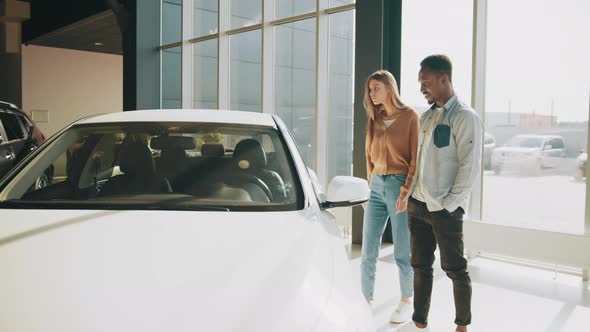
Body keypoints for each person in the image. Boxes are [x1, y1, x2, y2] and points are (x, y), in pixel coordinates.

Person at [407, 55, 483, 332]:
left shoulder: (465, 117)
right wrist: (411, 194)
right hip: (418, 205)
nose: (422, 88)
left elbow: (470, 166)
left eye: (425, 82)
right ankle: (419, 321)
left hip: (444, 210)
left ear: (444, 79)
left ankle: (462, 325)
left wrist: (450, 205)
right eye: (420, 83)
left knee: (454, 269)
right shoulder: (427, 116)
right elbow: (421, 160)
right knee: (420, 266)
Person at [361, 70, 420, 323]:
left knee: (402, 252)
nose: (372, 93)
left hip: (399, 185)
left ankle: (406, 301)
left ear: (389, 87)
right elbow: (368, 156)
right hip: (375, 186)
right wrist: (367, 189)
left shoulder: (410, 117)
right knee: (368, 250)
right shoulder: (375, 118)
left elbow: (416, 159)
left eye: (376, 88)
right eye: (370, 89)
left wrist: (406, 191)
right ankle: (364, 300)